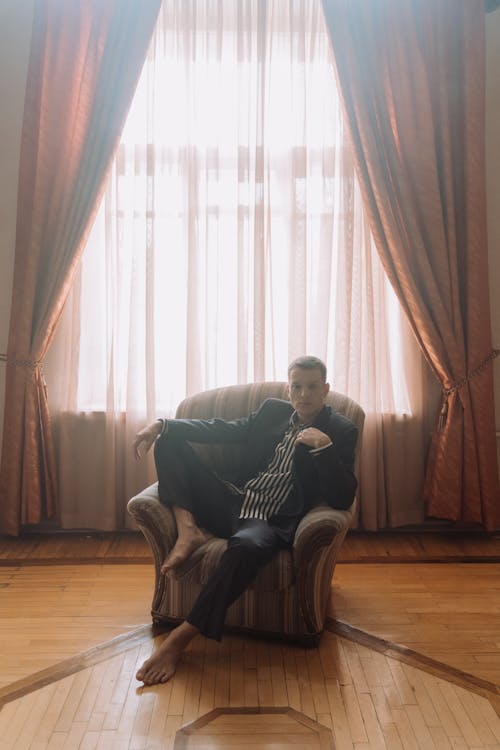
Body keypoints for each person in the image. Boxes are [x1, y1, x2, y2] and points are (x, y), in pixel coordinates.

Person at [132, 355, 358, 686]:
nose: (304, 394)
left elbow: (342, 498)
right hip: (231, 500)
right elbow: (224, 429)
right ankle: (188, 530)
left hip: (268, 521)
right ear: (288, 388)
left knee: (248, 548)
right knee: (169, 440)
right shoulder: (272, 411)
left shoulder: (340, 430)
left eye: (312, 387)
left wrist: (324, 449)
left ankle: (180, 638)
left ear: (325, 389)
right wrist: (161, 424)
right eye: (297, 386)